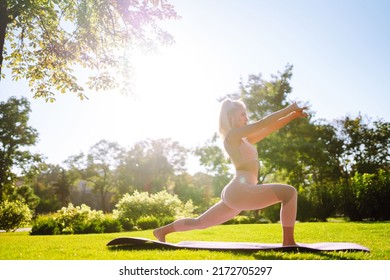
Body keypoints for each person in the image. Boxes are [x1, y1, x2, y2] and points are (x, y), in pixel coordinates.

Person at [153, 98, 308, 245]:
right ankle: (288, 242)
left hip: (238, 192)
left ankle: (162, 231)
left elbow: (270, 127)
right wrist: (289, 108)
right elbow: (263, 122)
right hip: (241, 190)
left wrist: (292, 116)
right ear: (231, 117)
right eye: (243, 114)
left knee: (199, 223)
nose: (246, 118)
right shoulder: (232, 136)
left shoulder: (245, 140)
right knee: (289, 193)